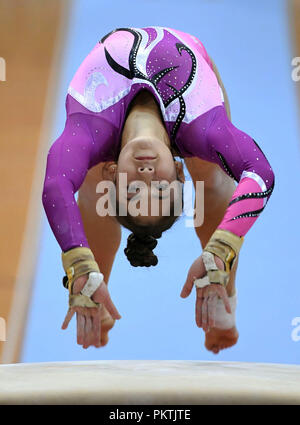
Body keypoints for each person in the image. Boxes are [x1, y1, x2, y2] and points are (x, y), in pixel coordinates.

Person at [42, 26, 275, 353]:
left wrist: (79, 265)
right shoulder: (204, 127)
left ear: (116, 174)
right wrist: (222, 247)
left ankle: (94, 286)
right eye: (161, 189)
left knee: (92, 181)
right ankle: (220, 285)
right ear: (178, 172)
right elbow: (261, 173)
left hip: (110, 123)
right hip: (194, 82)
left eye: (133, 191)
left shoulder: (89, 129)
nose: (146, 174)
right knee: (211, 173)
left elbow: (55, 186)